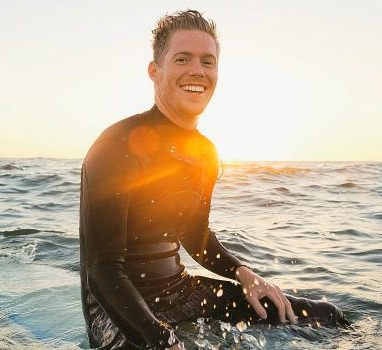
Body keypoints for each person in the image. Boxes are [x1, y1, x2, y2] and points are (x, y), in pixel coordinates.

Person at [78, 9, 349, 350]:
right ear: (154, 71)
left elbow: (195, 235)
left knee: (323, 316)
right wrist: (161, 340)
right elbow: (102, 272)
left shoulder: (204, 152)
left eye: (208, 61)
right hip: (116, 313)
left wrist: (245, 274)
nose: (197, 70)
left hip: (181, 292)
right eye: (182, 59)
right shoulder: (115, 146)